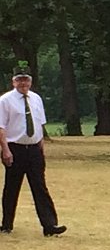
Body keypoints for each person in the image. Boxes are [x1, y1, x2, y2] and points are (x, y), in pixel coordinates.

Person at [0, 61, 67, 237]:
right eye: (19, 80)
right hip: (15, 148)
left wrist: (41, 149)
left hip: (34, 149)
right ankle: (7, 223)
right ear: (14, 82)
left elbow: (39, 125)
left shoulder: (36, 99)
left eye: (26, 80)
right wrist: (5, 150)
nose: (23, 83)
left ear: (30, 81)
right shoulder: (5, 101)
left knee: (40, 186)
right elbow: (1, 127)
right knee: (12, 187)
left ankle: (50, 225)